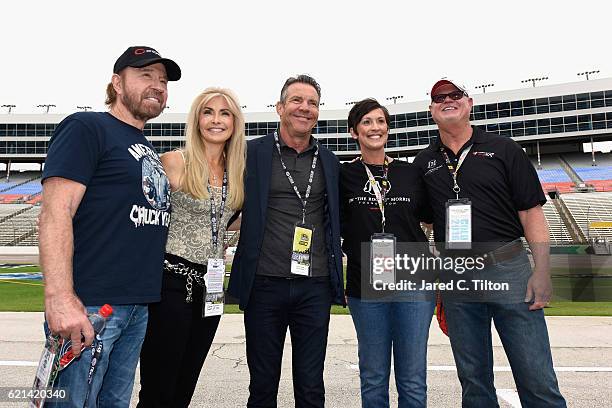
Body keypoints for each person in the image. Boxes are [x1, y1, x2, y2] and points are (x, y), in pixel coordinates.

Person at [38, 46, 181, 407]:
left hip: (136, 306)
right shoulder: (87, 127)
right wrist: (60, 298)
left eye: (163, 80)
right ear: (117, 83)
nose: (158, 86)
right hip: (90, 306)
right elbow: (55, 213)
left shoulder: (144, 145)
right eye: (145, 75)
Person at [413, 79, 566, 407]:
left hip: (508, 267)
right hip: (457, 276)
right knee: (474, 382)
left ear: (469, 103)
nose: (448, 100)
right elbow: (426, 220)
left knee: (536, 377)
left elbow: (531, 213)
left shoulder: (504, 148)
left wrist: (542, 271)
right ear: (431, 110)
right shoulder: (424, 162)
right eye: (439, 97)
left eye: (455, 95)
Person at [227, 74, 344, 408]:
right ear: (280, 107)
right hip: (264, 284)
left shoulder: (329, 161)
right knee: (263, 386)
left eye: (312, 103)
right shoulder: (252, 153)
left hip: (315, 286)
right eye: (297, 100)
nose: (304, 108)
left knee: (311, 387)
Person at [137, 87, 246, 407]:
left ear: (235, 122)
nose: (216, 120)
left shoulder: (237, 173)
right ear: (196, 119)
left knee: (185, 385)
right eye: (208, 112)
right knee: (159, 387)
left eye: (225, 113)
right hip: (170, 284)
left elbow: (229, 219)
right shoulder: (173, 161)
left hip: (210, 288)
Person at [340, 98, 435, 408]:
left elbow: (430, 218)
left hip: (413, 279)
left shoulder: (410, 173)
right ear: (354, 131)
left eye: (380, 121)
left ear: (388, 129)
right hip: (365, 283)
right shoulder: (344, 176)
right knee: (373, 375)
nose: (375, 127)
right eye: (367, 122)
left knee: (412, 376)